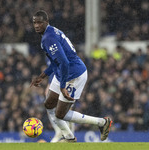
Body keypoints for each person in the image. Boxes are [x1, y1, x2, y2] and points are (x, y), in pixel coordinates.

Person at [30, 10, 112, 142]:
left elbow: (64, 62)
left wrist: (62, 86)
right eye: (35, 23)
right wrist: (42, 76)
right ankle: (69, 137)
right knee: (49, 104)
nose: (37, 25)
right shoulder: (50, 32)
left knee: (61, 114)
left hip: (73, 74)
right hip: (62, 71)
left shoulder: (48, 38)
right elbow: (57, 62)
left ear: (46, 22)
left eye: (40, 22)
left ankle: (102, 123)